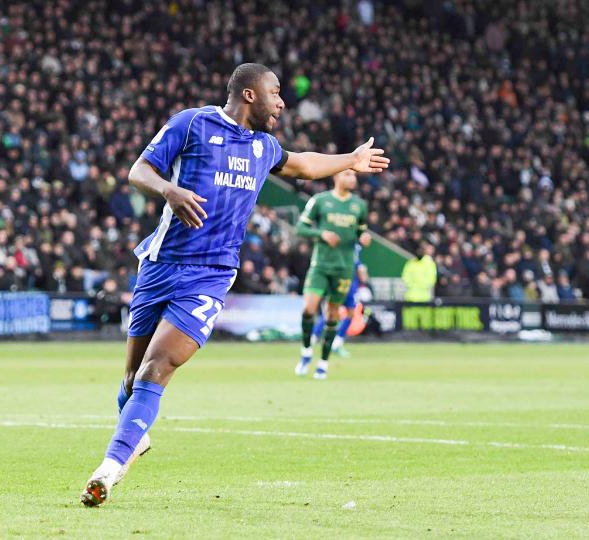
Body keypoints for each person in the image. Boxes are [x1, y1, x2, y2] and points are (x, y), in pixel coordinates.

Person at [80, 63, 389, 507]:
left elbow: (303, 164)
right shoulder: (193, 123)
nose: (281, 102)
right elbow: (139, 171)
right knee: (130, 381)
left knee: (157, 369)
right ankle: (136, 436)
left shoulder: (265, 147)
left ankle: (107, 471)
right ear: (249, 94)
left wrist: (351, 159)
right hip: (159, 264)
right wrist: (169, 190)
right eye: (275, 92)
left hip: (210, 275)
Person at [294, 169, 370, 379]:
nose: (352, 179)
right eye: (347, 175)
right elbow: (300, 228)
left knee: (333, 314)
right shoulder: (320, 201)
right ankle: (306, 351)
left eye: (353, 176)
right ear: (336, 177)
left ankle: (323, 363)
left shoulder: (359, 205)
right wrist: (322, 234)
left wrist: (363, 237)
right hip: (321, 265)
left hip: (344, 268)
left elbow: (362, 231)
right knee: (309, 309)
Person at [308, 255, 369, 359]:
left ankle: (336, 343)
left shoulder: (355, 247)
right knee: (330, 311)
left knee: (351, 312)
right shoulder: (342, 246)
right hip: (337, 282)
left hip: (350, 284)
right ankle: (313, 338)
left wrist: (361, 271)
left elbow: (358, 264)